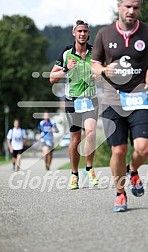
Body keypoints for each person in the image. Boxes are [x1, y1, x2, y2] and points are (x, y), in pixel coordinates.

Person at [91, 0, 148, 212]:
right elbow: (94, 64)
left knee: (144, 148)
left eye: (136, 7)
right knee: (119, 149)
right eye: (128, 6)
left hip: (138, 97)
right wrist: (105, 70)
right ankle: (120, 194)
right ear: (119, 6)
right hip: (112, 100)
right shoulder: (104, 34)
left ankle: (132, 171)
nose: (131, 11)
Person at [50, 19, 99, 189]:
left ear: (89, 33)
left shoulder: (95, 52)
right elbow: (52, 78)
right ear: (74, 33)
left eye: (85, 31)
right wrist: (66, 69)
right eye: (79, 31)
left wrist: (100, 75)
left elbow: (103, 69)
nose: (82, 34)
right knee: (75, 139)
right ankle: (74, 174)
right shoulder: (66, 53)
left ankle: (89, 168)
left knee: (91, 133)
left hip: (91, 98)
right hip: (73, 100)